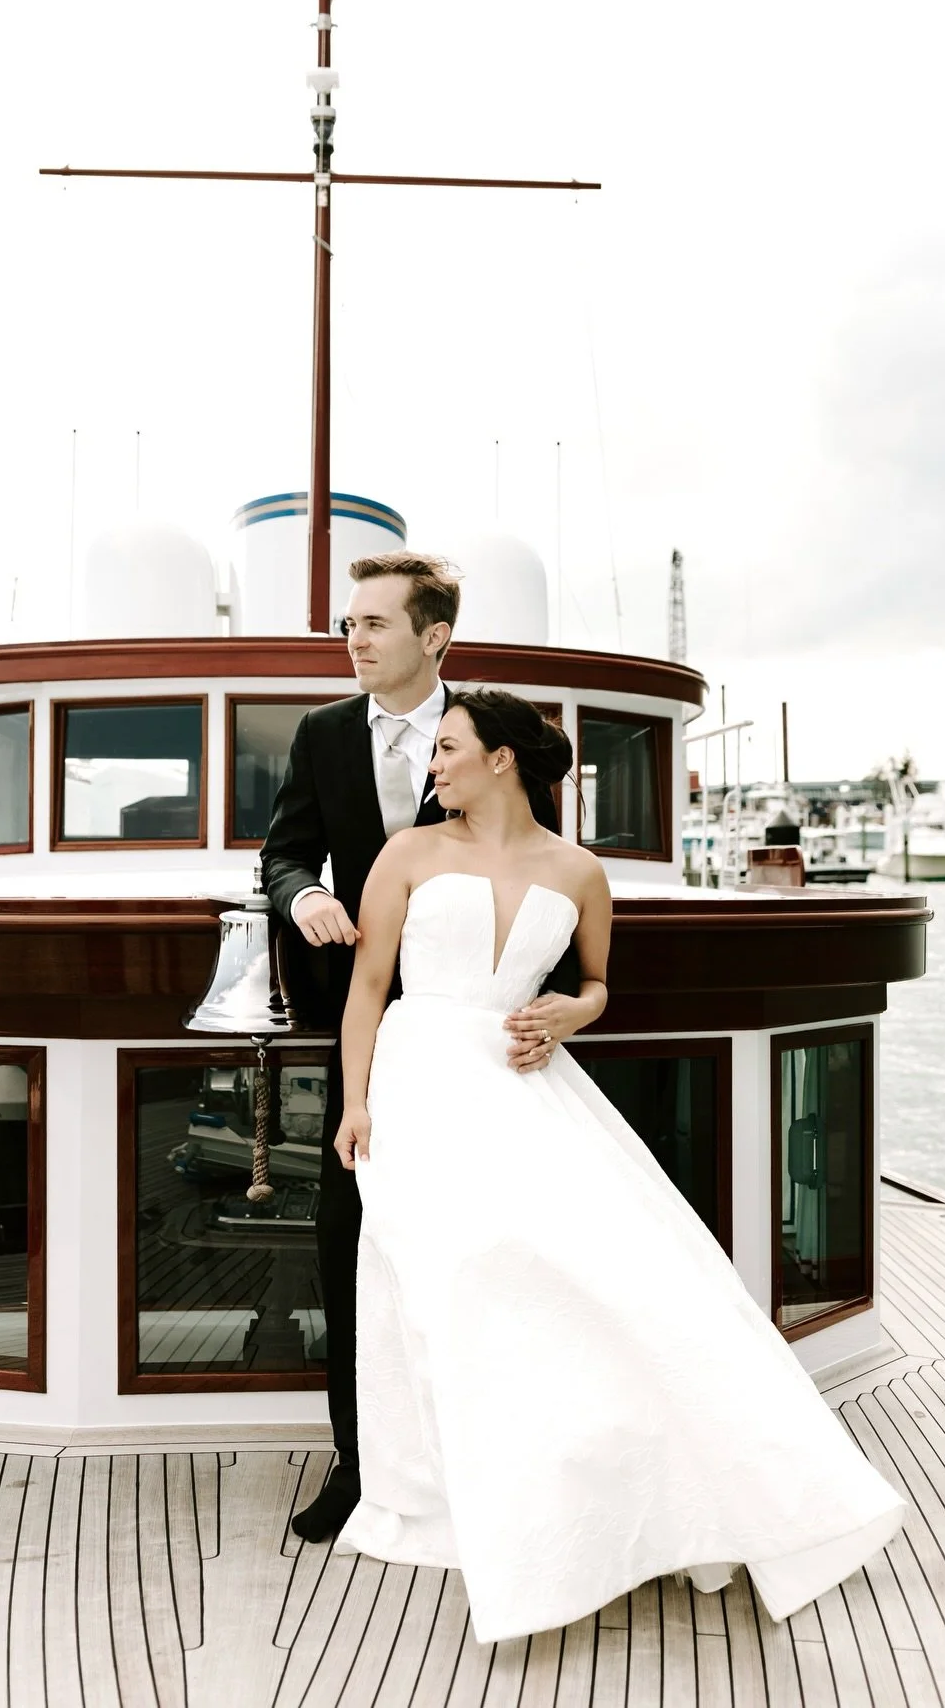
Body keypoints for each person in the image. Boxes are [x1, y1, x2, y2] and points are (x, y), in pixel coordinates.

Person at [331, 689, 909, 1645]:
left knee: (618, 1277)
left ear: (501, 759)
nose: (432, 765)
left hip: (524, 1087)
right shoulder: (408, 854)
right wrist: (355, 1101)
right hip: (420, 1086)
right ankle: (458, 1498)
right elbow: (366, 988)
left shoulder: (580, 871)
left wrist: (568, 1012)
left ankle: (645, 1498)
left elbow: (597, 985)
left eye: (446, 748)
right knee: (460, 1277)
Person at [261, 554, 578, 1544]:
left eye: (372, 623)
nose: (351, 640)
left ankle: (497, 1452)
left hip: (486, 1041)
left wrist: (566, 1002)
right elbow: (281, 851)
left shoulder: (495, 733)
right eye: (347, 624)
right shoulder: (320, 734)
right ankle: (363, 1465)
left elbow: (550, 876)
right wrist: (305, 894)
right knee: (358, 1246)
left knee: (498, 1244)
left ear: (433, 636)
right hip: (374, 1036)